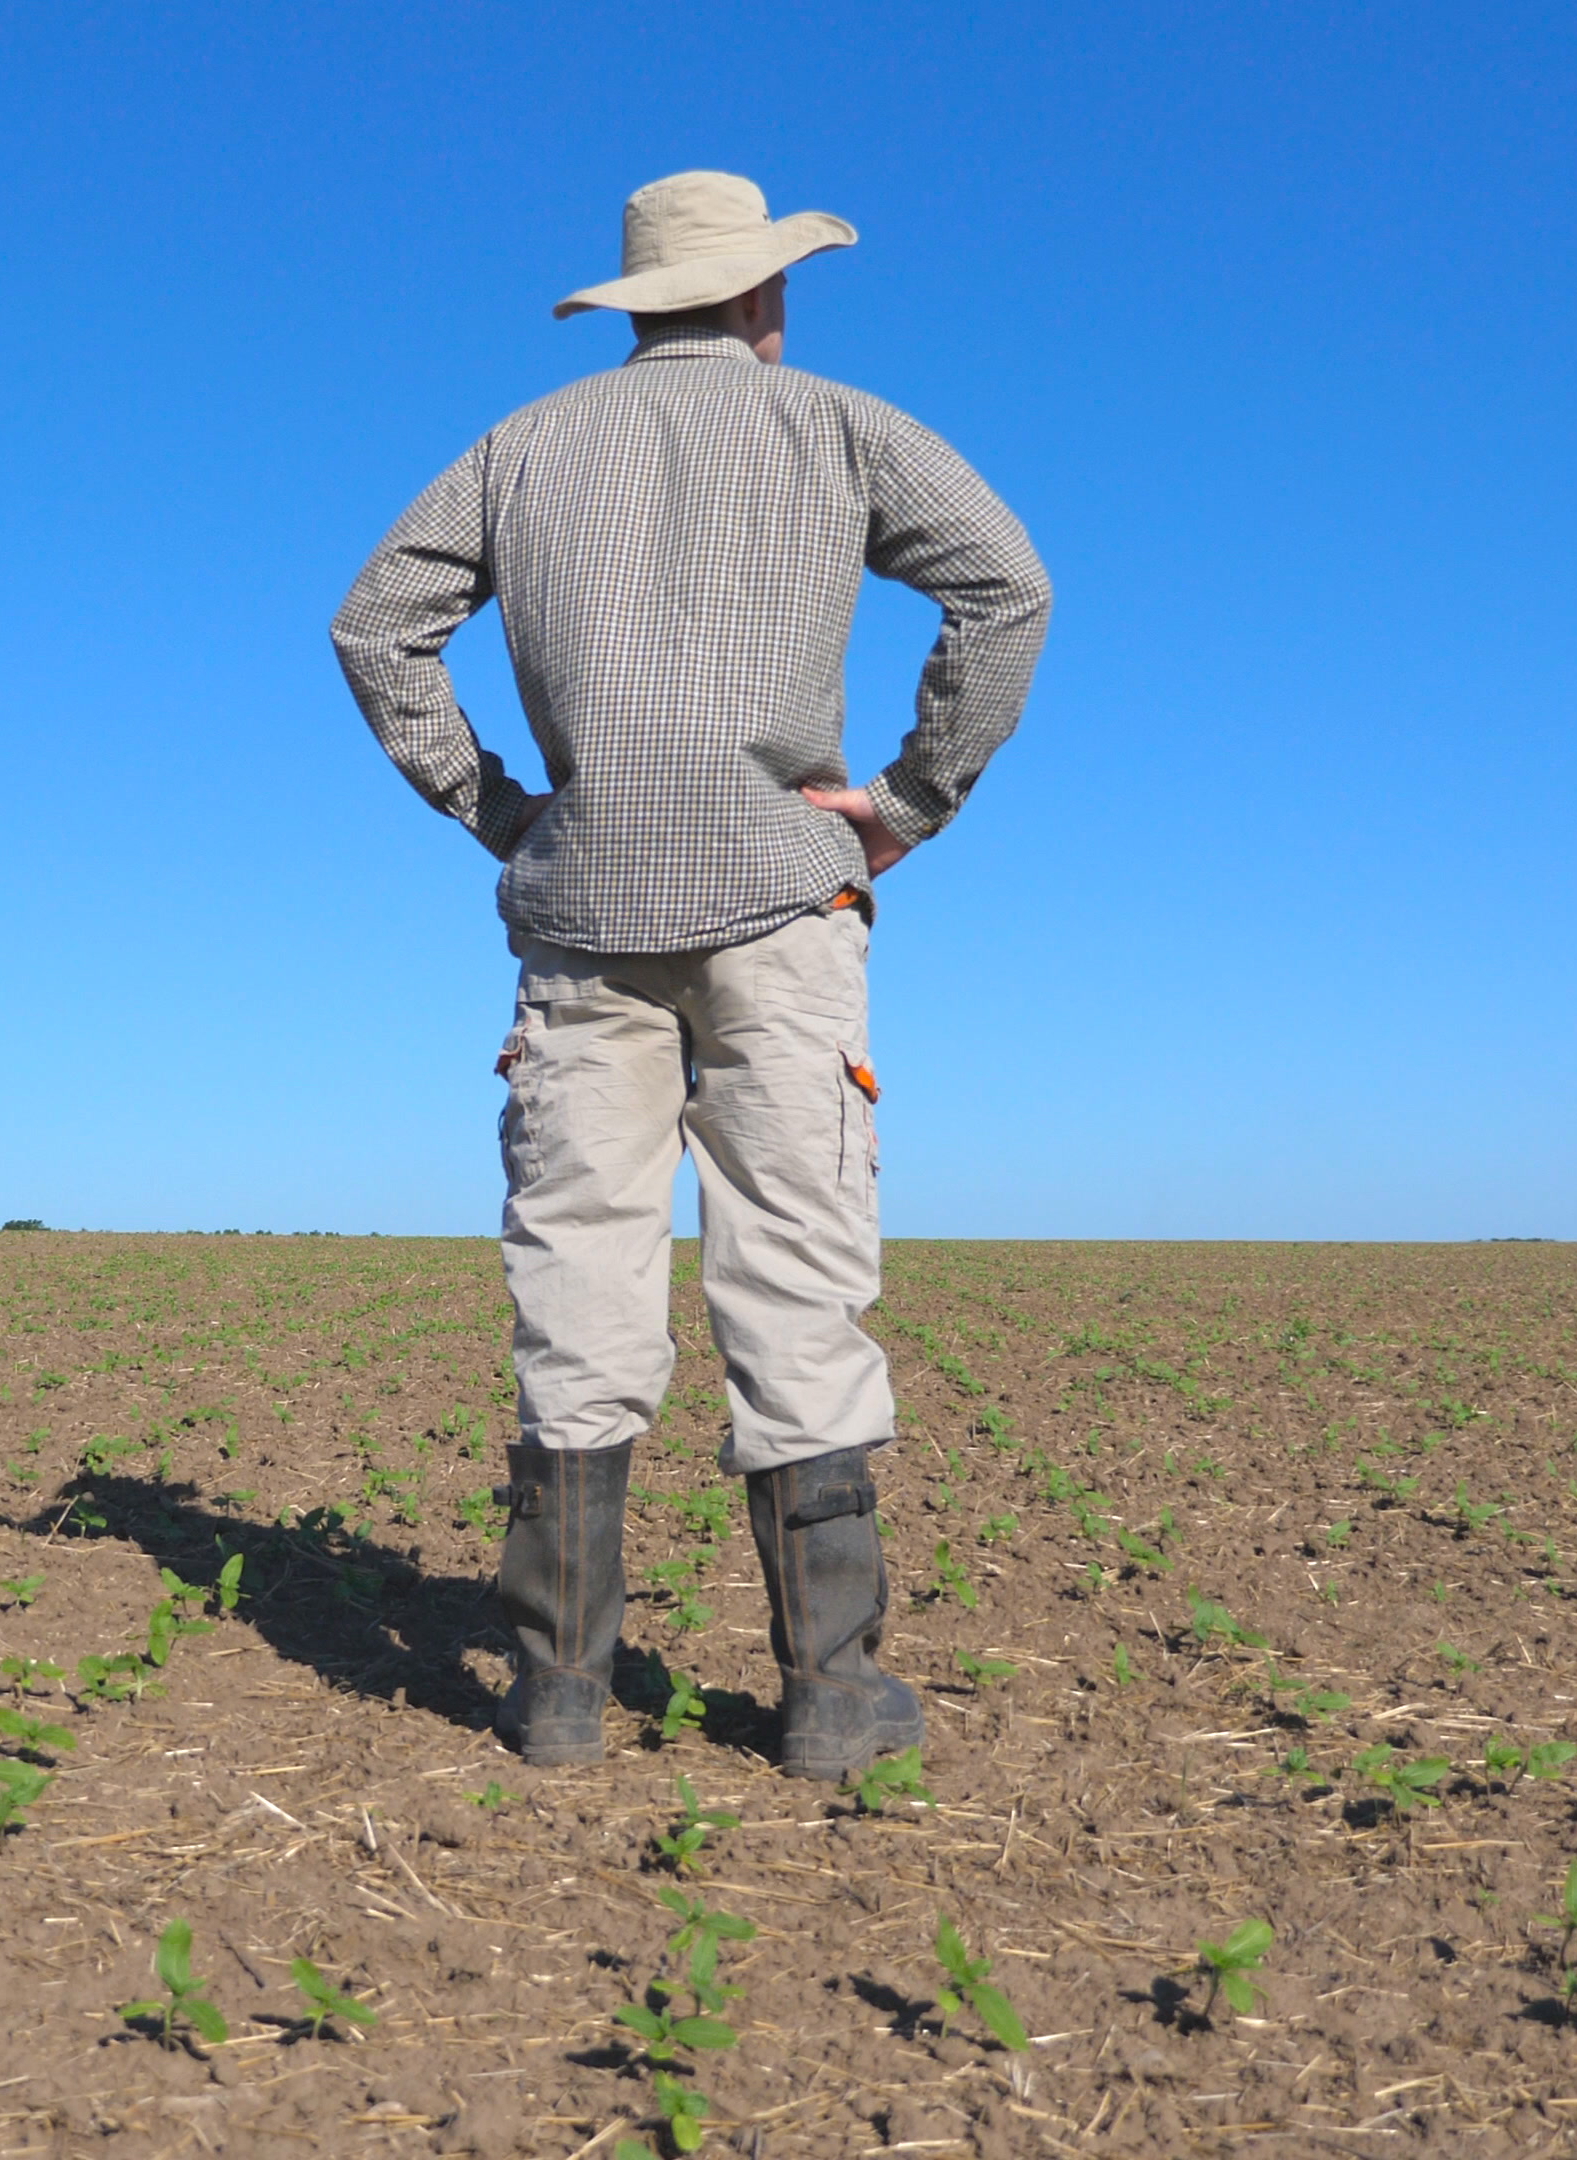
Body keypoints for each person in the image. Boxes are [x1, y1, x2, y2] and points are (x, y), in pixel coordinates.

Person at [330, 171, 1050, 1777]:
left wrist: (501, 810)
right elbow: (1009, 590)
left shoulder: (524, 446)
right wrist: (908, 808)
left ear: (640, 303)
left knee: (578, 1271)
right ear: (767, 297)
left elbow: (378, 626)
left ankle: (559, 1695)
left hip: (580, 914)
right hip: (786, 910)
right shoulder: (844, 427)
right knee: (793, 1270)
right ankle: (831, 1698)